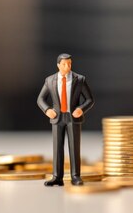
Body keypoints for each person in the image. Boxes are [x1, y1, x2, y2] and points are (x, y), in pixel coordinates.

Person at [37, 53, 95, 186]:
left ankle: (75, 176)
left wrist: (81, 109)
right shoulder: (50, 80)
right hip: (57, 117)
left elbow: (90, 99)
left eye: (69, 63)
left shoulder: (79, 79)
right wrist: (47, 110)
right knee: (57, 148)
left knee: (74, 147)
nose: (67, 66)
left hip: (73, 117)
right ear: (58, 65)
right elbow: (40, 99)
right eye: (64, 64)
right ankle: (57, 176)